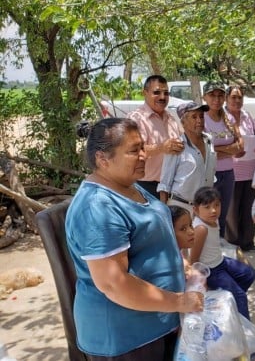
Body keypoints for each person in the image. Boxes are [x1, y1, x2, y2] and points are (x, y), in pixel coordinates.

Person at [65, 118, 203, 360]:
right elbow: (114, 284)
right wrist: (179, 302)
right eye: (133, 151)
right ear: (102, 159)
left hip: (157, 323)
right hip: (127, 339)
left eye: (142, 147)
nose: (143, 156)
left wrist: (178, 263)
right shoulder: (98, 207)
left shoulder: (128, 185)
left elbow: (151, 237)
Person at [189, 186, 255, 320]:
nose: (213, 210)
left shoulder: (213, 220)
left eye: (217, 205)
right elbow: (193, 259)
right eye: (207, 207)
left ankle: (229, 302)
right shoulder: (201, 228)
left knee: (249, 273)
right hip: (211, 270)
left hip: (221, 261)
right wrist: (200, 279)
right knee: (240, 296)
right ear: (196, 210)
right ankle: (244, 326)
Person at [127, 75, 183, 198]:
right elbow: (133, 152)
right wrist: (161, 148)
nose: (162, 97)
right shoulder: (136, 119)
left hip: (171, 186)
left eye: (166, 93)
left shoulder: (171, 119)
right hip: (145, 186)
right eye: (156, 92)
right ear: (145, 93)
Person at [158, 102, 216, 213]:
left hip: (204, 208)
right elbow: (165, 184)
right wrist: (164, 213)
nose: (199, 120)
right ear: (183, 122)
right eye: (194, 117)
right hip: (180, 207)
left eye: (201, 116)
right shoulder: (176, 146)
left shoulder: (208, 141)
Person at [203, 80, 244, 237]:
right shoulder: (202, 119)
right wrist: (229, 150)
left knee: (222, 213)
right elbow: (205, 151)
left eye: (220, 95)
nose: (216, 99)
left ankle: (218, 243)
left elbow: (240, 146)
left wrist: (217, 150)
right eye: (212, 95)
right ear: (204, 97)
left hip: (228, 174)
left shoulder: (229, 118)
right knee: (208, 214)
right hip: (209, 175)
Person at [224, 85, 255, 251]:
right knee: (231, 211)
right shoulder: (222, 117)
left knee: (248, 208)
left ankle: (247, 242)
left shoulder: (247, 115)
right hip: (230, 170)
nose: (237, 101)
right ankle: (233, 246)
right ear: (226, 99)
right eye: (233, 97)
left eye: (239, 97)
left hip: (250, 170)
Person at [170, 205, 195, 277]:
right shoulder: (171, 264)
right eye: (183, 229)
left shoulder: (178, 253)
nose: (191, 232)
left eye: (190, 225)